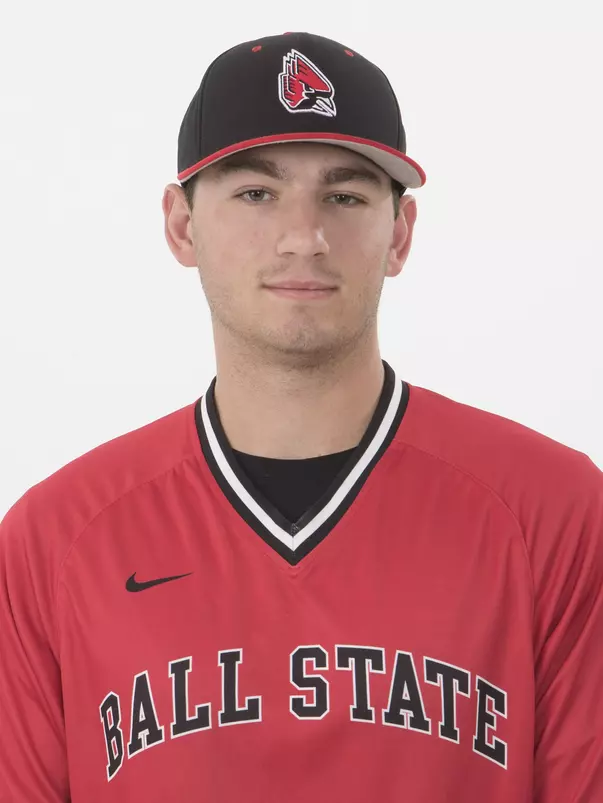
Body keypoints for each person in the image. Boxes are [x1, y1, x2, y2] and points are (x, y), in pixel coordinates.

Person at [0, 30, 601, 803]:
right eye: (256, 193)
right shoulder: (55, 541)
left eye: (344, 196)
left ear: (400, 233)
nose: (303, 237)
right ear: (181, 225)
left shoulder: (553, 513)